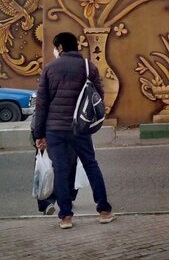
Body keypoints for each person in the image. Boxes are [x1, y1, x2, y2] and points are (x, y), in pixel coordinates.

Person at [34, 32, 115, 229]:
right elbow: (98, 95)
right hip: (80, 128)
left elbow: (42, 104)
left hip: (55, 129)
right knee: (91, 165)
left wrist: (39, 134)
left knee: (60, 169)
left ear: (60, 47)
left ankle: (65, 217)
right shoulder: (88, 66)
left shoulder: (49, 69)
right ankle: (103, 211)